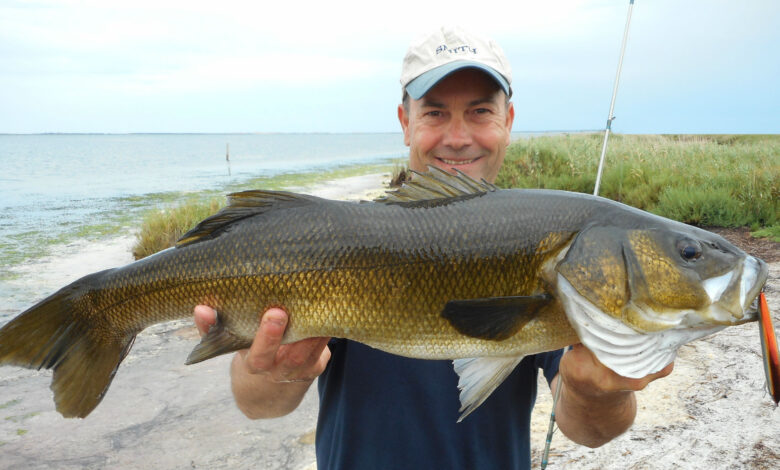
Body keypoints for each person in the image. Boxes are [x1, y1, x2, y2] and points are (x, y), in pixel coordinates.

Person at [193, 26, 673, 469]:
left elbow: (588, 431)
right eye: (435, 112)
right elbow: (258, 405)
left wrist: (599, 395)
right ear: (406, 122)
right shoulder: (337, 241)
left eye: (481, 111)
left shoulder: (542, 240)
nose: (459, 137)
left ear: (508, 121)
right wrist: (276, 373)